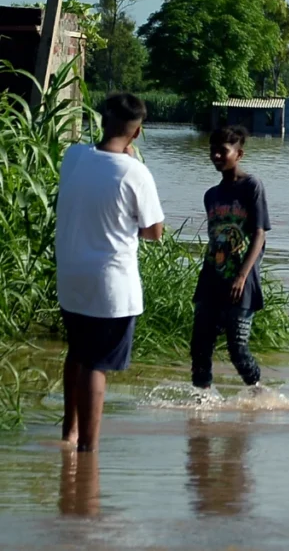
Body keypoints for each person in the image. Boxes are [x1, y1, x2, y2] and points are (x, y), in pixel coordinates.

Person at [55, 93, 164, 452]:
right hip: (110, 284)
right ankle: (88, 450)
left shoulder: (73, 157)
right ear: (137, 133)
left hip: (71, 278)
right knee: (96, 364)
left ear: (102, 121)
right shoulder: (135, 172)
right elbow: (154, 232)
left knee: (77, 352)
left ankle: (69, 433)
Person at [190, 126, 269, 391]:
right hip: (211, 278)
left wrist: (242, 276)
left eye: (222, 151)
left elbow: (259, 234)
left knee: (237, 349)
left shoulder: (251, 186)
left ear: (239, 154)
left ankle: (259, 394)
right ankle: (202, 401)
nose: (216, 156)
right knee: (200, 347)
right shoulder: (211, 195)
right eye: (212, 150)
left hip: (241, 282)